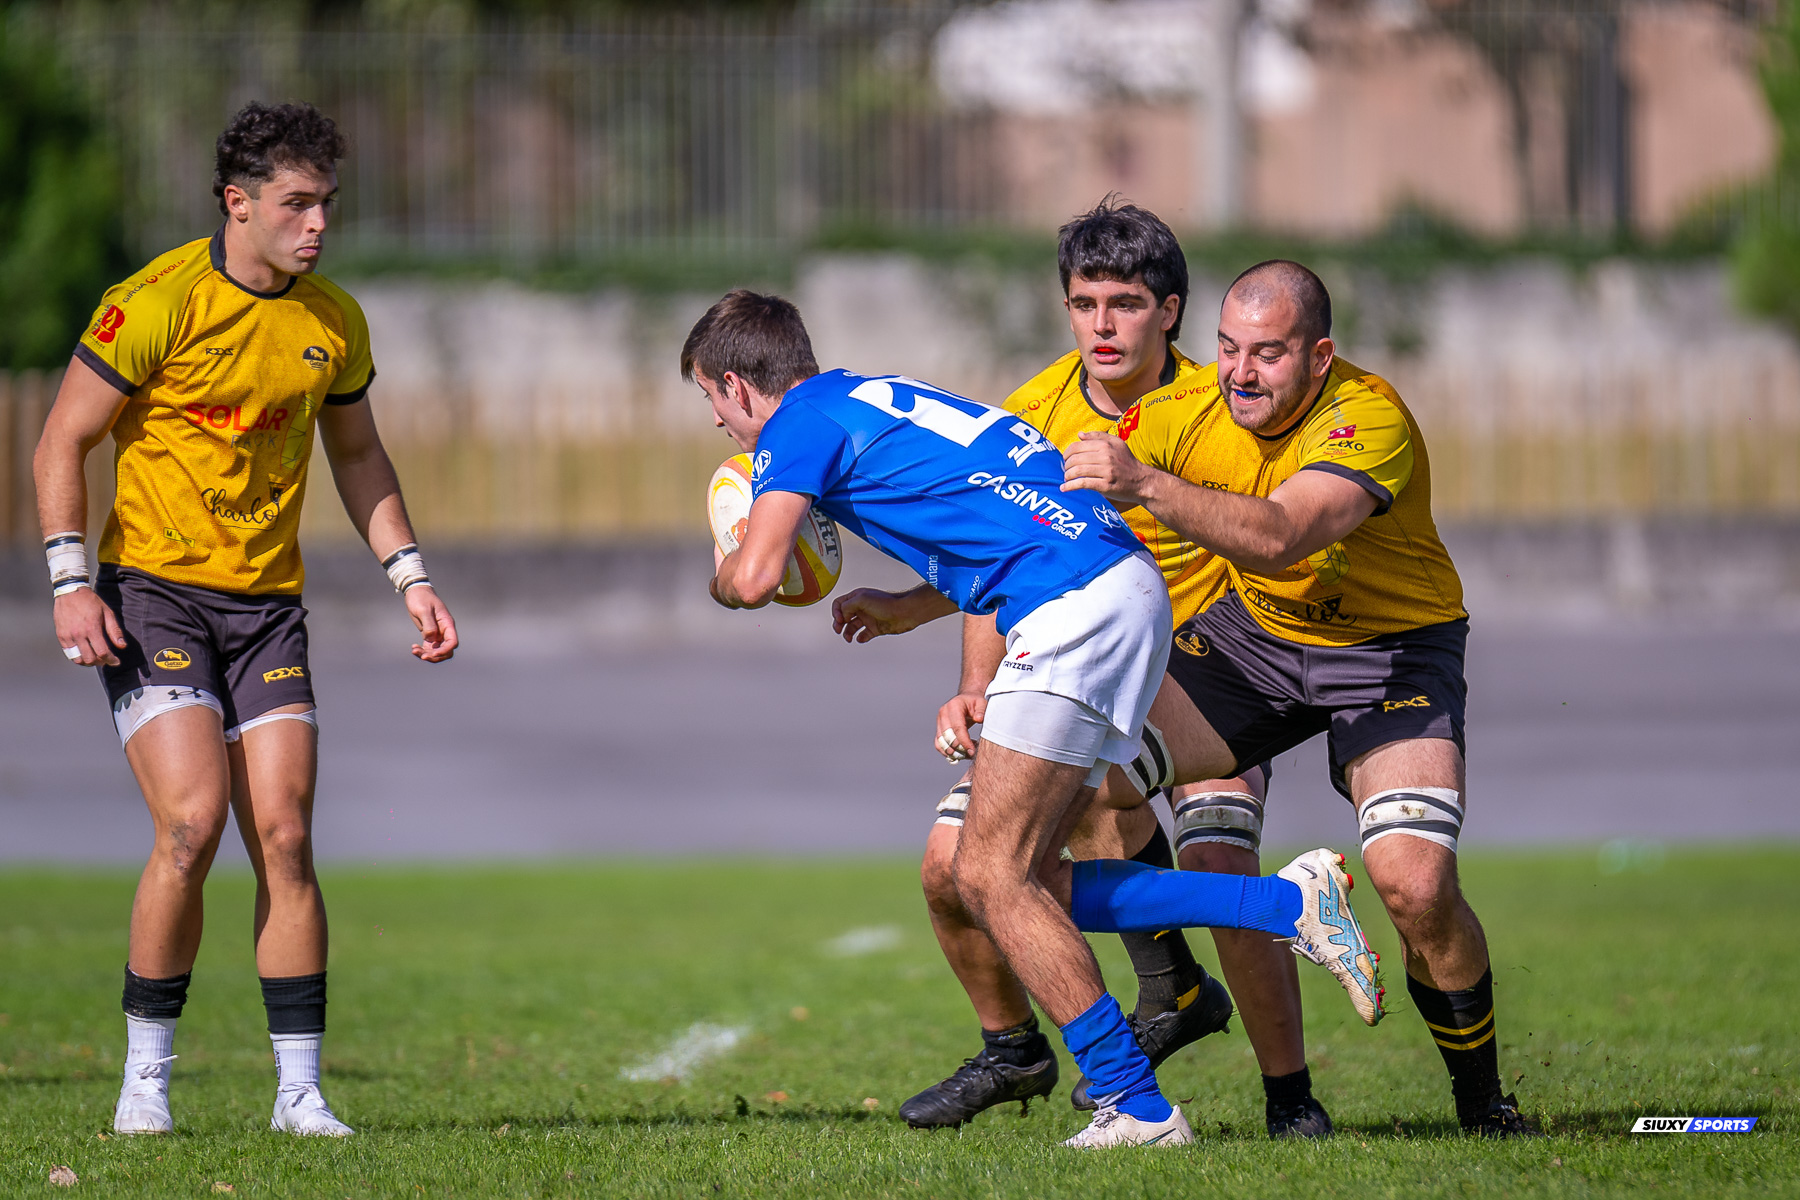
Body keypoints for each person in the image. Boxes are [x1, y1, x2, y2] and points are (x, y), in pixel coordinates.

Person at [688, 288, 1382, 1148]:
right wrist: (909, 606)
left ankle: (1137, 1105)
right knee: (1031, 879)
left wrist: (724, 564)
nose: (717, 421)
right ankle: (1283, 905)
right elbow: (1003, 516)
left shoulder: (795, 424)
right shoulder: (870, 397)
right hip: (1115, 587)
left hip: (1072, 609)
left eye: (711, 399)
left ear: (736, 384)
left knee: (987, 874)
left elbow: (757, 578)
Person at [32, 101, 458, 1137]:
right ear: (238, 202)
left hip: (267, 611)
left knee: (285, 833)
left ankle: (299, 1095)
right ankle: (145, 1079)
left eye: (328, 204)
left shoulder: (332, 322)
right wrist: (70, 581)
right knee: (190, 824)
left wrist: (410, 575)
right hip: (152, 596)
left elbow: (357, 454)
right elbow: (61, 442)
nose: (318, 225)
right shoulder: (155, 303)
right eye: (297, 204)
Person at [868, 201, 1329, 1138]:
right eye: (1085, 304)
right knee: (950, 868)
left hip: (1208, 680)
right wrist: (973, 686)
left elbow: (1277, 536)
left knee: (1215, 854)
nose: (1102, 325)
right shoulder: (1030, 417)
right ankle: (1018, 1046)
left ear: (1170, 311)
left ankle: (1290, 1099)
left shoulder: (1226, 407)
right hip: (1075, 673)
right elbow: (992, 564)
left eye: (1125, 303)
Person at [1058, 258, 1535, 1137]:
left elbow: (1281, 534)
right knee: (1068, 788)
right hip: (1255, 641)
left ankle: (1484, 1107)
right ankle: (1178, 989)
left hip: (1391, 655)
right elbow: (1035, 518)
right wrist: (914, 600)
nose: (1240, 373)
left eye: (1268, 354)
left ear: (1319, 357)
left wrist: (1145, 484)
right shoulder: (1175, 412)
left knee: (1415, 885)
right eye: (1228, 348)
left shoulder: (1368, 417)